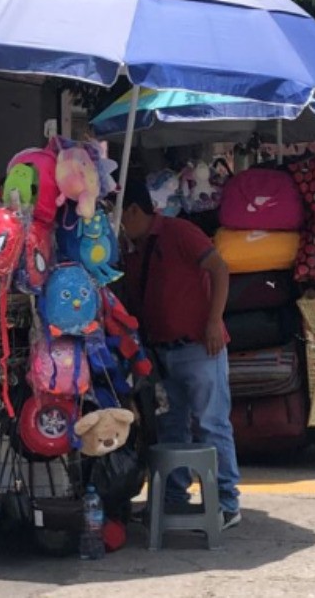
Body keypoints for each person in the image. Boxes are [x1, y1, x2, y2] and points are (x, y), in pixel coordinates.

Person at [119, 180, 241, 530]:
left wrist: (215, 320)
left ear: (133, 210)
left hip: (201, 347)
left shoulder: (179, 231)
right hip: (162, 352)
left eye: (122, 217)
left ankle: (227, 501)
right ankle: (174, 496)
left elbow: (219, 268)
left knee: (211, 423)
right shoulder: (134, 249)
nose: (120, 225)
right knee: (171, 426)